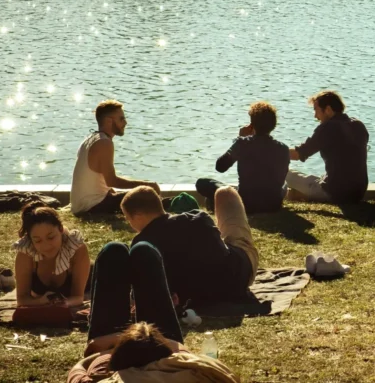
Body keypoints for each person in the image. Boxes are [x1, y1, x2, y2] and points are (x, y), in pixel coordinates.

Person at [69, 241, 238, 382]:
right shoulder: (189, 374)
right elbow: (221, 373)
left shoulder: (103, 376)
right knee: (142, 252)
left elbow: (79, 367)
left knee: (116, 253)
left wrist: (108, 348)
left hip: (127, 352)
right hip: (159, 352)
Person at [121, 186, 258, 306]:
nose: (129, 224)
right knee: (225, 193)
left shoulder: (142, 246)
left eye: (128, 218)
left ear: (138, 215)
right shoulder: (198, 219)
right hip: (237, 280)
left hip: (202, 298)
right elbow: (220, 257)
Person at [196, 101, 289, 214]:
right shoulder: (284, 149)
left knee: (201, 183)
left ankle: (216, 208)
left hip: (246, 204)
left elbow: (220, 167)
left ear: (252, 125)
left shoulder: (242, 144)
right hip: (273, 205)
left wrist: (239, 138)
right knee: (285, 185)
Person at [71, 100, 161, 215]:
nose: (125, 123)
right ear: (109, 121)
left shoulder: (90, 139)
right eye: (121, 119)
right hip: (91, 207)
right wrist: (147, 185)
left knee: (141, 194)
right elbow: (112, 181)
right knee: (148, 192)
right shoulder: (104, 143)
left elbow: (104, 182)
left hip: (81, 206)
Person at [285, 90, 369, 205]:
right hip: (358, 193)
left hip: (335, 193)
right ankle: (298, 195)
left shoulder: (328, 128)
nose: (315, 116)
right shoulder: (359, 125)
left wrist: (271, 152)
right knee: (305, 185)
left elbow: (298, 154)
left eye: (316, 110)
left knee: (284, 173)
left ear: (328, 110)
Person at [12, 202, 89, 307]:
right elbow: (22, 299)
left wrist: (65, 303)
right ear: (30, 240)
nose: (46, 246)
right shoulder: (26, 253)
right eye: (38, 241)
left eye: (51, 237)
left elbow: (78, 297)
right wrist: (40, 302)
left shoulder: (76, 248)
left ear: (61, 229)